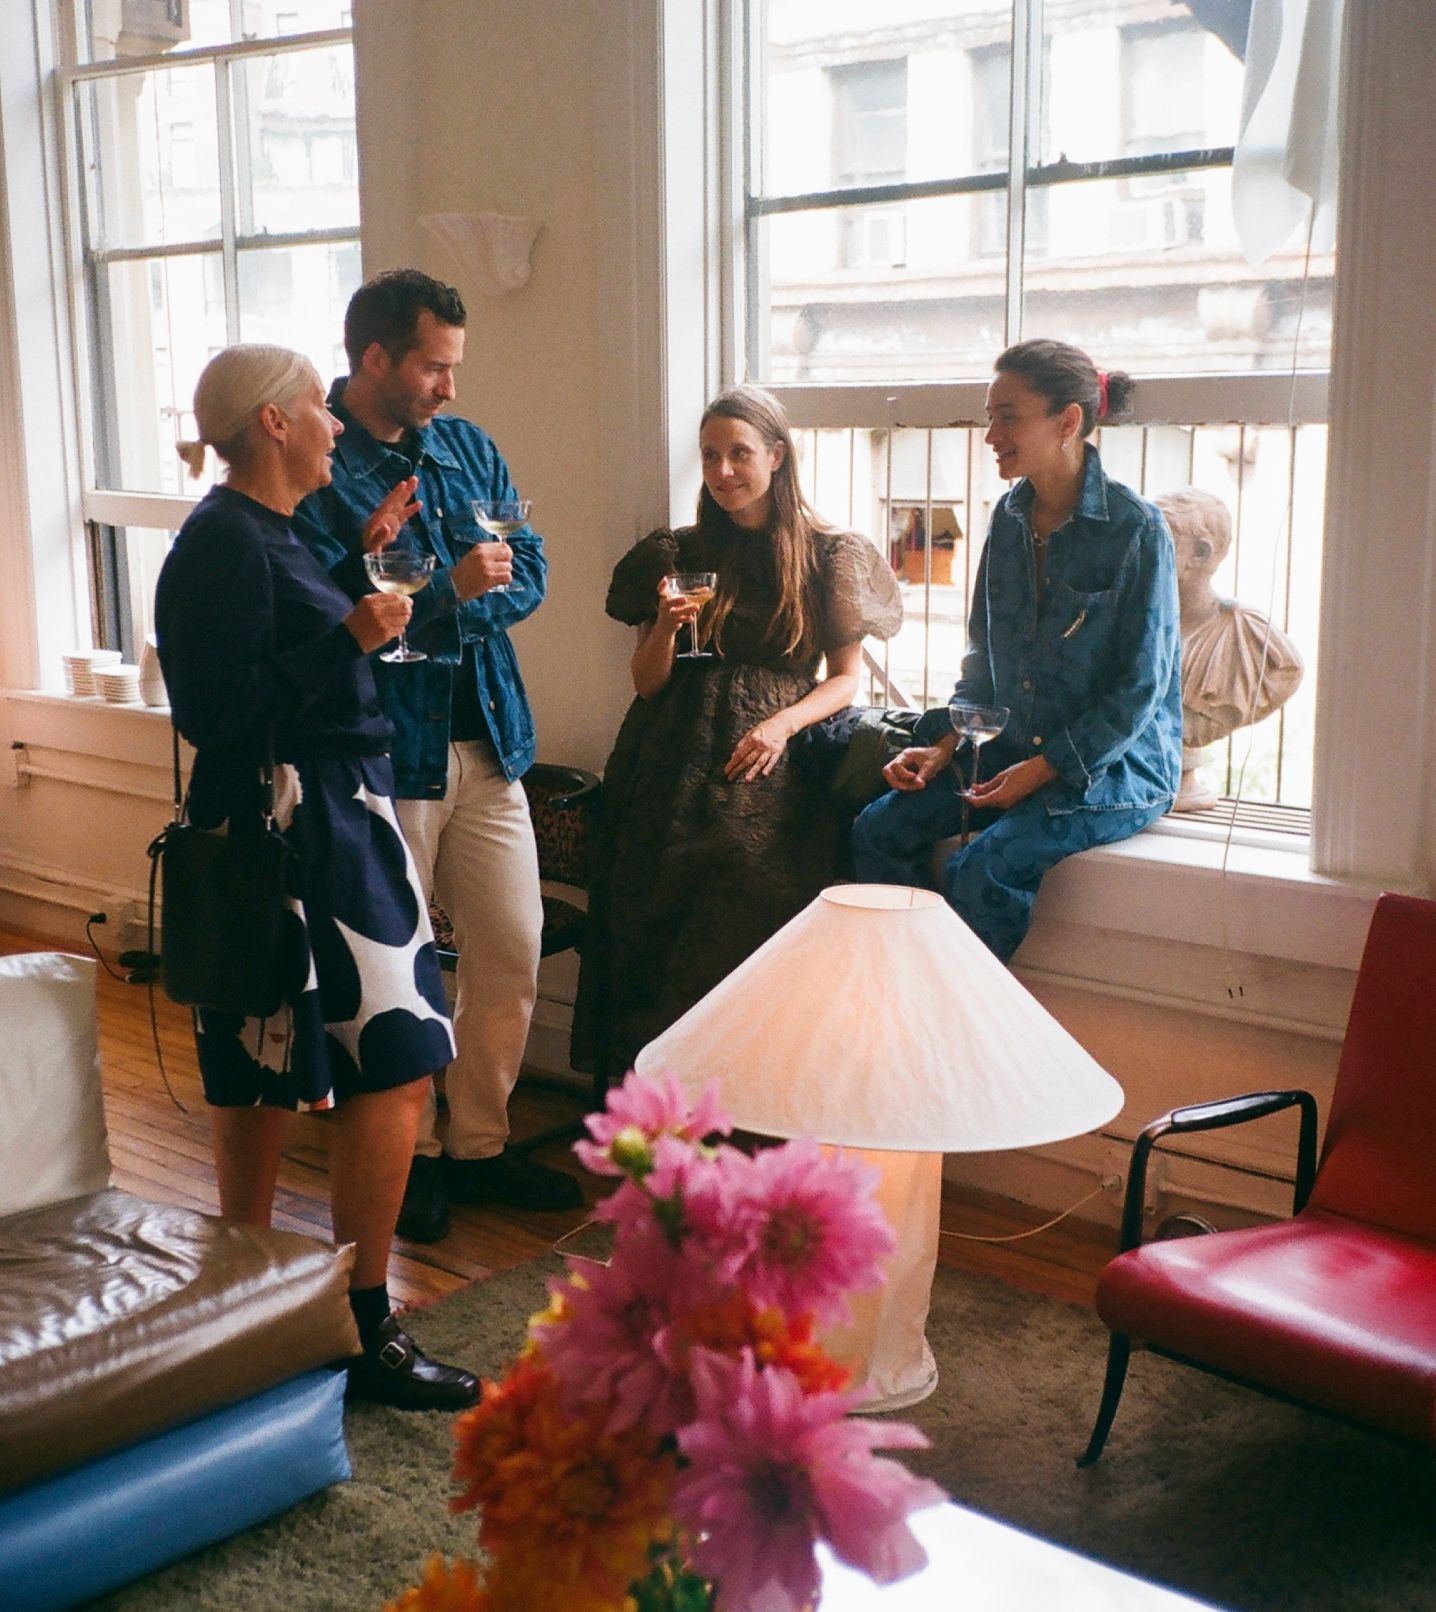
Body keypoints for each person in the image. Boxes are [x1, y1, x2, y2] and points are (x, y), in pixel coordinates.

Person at [155, 344, 477, 1410]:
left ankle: (248, 1303)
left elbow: (277, 650)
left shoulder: (272, 533)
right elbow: (215, 713)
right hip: (295, 821)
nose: (338, 426)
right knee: (397, 1058)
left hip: (332, 811)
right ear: (276, 424)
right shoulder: (218, 540)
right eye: (318, 410)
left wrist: (356, 573)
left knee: (266, 1055)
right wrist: (349, 628)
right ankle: (362, 1322)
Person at [291, 269, 580, 1244]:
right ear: (375, 359)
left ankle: (482, 1145)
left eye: (455, 366)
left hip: (490, 738)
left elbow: (527, 569)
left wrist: (443, 607)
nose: (451, 387)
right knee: (399, 979)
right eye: (434, 366)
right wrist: (449, 596)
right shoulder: (314, 465)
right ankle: (405, 1160)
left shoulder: (465, 446)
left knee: (510, 944)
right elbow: (336, 618)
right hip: (385, 754)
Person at [571, 384, 902, 1089]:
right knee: (650, 906)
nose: (723, 471)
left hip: (772, 760)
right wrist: (663, 625)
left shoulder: (826, 554)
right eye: (710, 456)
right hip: (665, 754)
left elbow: (846, 680)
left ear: (777, 456)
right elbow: (648, 682)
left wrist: (782, 723)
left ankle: (742, 1101)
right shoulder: (679, 551)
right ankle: (651, 1109)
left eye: (740, 454)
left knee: (748, 891)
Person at [851, 338, 1181, 961]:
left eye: (1008, 416)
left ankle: (966, 1031)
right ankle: (919, 990)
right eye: (989, 416)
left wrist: (1042, 769)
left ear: (1068, 421)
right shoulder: (1007, 519)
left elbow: (1138, 692)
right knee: (877, 831)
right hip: (1006, 746)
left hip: (1110, 768)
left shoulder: (1137, 530)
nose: (990, 434)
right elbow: (981, 665)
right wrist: (945, 744)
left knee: (982, 866)